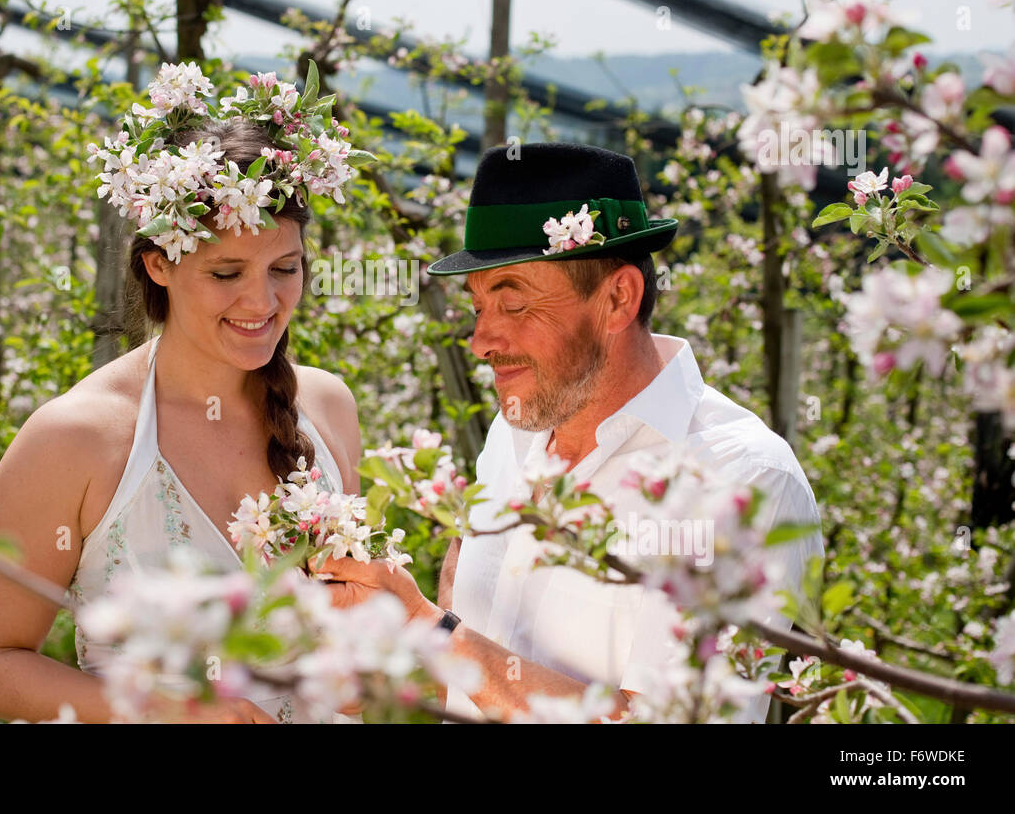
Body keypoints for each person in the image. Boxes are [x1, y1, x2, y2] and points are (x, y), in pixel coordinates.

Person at [318, 141, 824, 723]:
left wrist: (429, 626)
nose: (481, 341)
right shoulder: (511, 438)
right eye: (478, 306)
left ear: (618, 298)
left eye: (514, 307)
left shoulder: (742, 479)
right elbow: (471, 687)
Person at [0, 66, 363, 723]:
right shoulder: (77, 438)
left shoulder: (330, 409)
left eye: (285, 268)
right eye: (226, 272)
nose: (261, 301)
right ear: (159, 263)